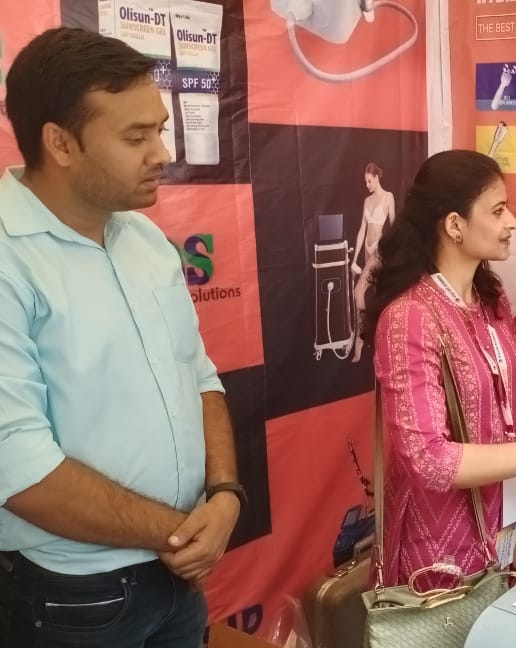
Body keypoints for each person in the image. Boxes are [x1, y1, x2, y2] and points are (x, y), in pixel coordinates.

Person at [0, 28, 242, 648]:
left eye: (159, 129)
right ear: (60, 143)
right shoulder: (9, 257)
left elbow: (199, 376)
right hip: (73, 595)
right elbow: (16, 463)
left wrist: (225, 495)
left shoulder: (146, 241)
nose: (161, 153)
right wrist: (180, 532)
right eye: (136, 137)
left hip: (177, 576)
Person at [363, 149, 516, 590]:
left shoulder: (491, 302)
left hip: (507, 533)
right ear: (455, 225)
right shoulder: (410, 317)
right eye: (498, 211)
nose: (511, 222)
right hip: (438, 555)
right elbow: (429, 460)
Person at [351, 162, 394, 363]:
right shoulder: (366, 201)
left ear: (376, 178)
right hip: (367, 253)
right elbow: (362, 230)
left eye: (369, 181)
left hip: (379, 252)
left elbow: (393, 225)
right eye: (365, 181)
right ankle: (374, 339)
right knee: (374, 295)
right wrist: (354, 260)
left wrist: (388, 249)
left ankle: (360, 339)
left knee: (358, 292)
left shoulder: (388, 197)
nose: (367, 185)